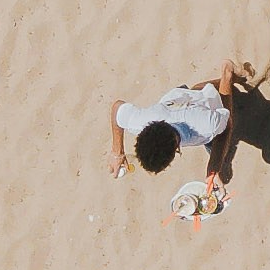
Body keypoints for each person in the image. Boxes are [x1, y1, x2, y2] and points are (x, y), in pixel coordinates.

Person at [107, 62, 250, 181]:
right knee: (194, 92)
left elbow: (227, 125)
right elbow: (117, 108)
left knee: (221, 136)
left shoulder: (206, 125)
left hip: (207, 107)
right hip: (179, 96)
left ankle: (227, 73)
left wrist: (213, 169)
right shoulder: (139, 122)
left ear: (176, 149)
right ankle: (203, 90)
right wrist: (117, 152)